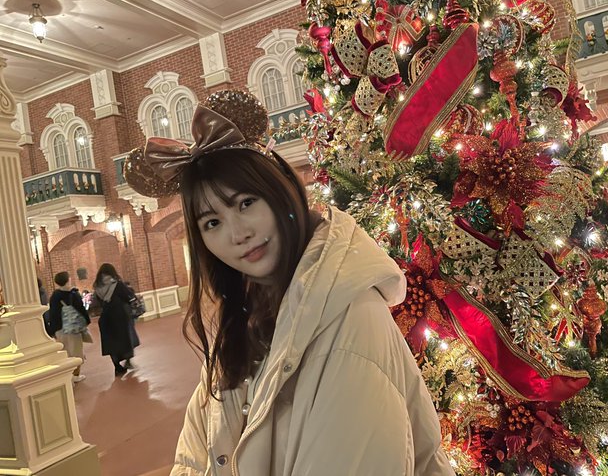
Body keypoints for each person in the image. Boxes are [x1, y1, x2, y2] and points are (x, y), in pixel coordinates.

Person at [124, 90, 453, 476]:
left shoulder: (349, 321)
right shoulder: (249, 313)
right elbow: (197, 449)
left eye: (245, 203)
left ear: (279, 192)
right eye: (212, 222)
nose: (237, 234)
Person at [94, 263, 139, 376]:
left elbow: (96, 304)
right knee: (126, 339)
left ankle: (117, 367)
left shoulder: (97, 286)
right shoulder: (117, 284)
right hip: (120, 316)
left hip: (106, 318)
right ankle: (128, 360)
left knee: (111, 342)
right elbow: (128, 296)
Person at [48, 271, 90, 383]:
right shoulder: (74, 294)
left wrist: (52, 330)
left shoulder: (54, 296)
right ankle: (75, 375)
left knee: (65, 352)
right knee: (76, 352)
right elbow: (81, 310)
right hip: (73, 328)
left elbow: (52, 314)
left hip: (59, 329)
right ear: (68, 280)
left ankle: (67, 376)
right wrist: (86, 321)